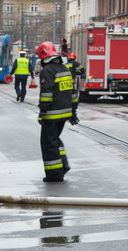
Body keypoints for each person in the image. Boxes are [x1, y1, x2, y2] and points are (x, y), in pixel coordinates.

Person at [35, 41, 79, 182]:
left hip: (52, 114)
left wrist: (42, 112)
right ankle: (63, 165)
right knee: (54, 139)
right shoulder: (64, 69)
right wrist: (73, 112)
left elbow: (46, 94)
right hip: (65, 113)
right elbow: (73, 93)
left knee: (48, 143)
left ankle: (54, 174)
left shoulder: (47, 71)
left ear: (44, 56)